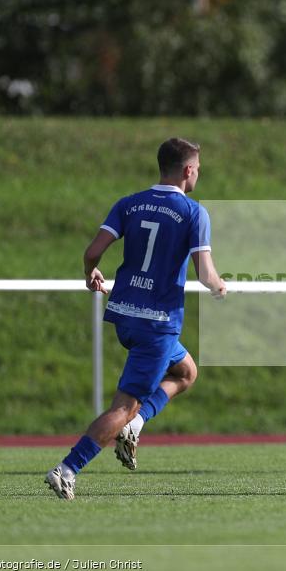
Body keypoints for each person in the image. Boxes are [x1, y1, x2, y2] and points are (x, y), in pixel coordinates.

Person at [45, 137, 226, 500]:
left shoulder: (129, 203)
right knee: (124, 407)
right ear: (189, 170)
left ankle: (136, 426)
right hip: (158, 323)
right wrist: (220, 286)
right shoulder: (193, 212)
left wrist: (91, 272)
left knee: (187, 372)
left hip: (125, 316)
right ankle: (68, 468)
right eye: (198, 170)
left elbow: (93, 251)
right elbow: (205, 274)